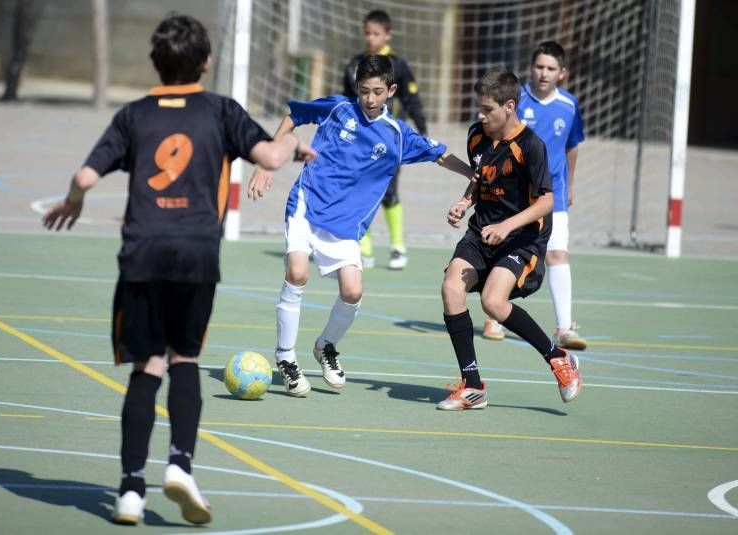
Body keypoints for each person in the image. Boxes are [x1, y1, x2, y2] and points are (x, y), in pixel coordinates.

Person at [41, 13, 314, 525]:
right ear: (207, 62)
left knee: (147, 367)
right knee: (185, 359)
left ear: (155, 63)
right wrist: (293, 146)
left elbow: (83, 174)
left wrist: (74, 200)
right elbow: (270, 158)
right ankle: (181, 467)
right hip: (195, 254)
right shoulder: (221, 111)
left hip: (142, 253)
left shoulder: (135, 115)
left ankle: (128, 490)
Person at [248, 54, 474, 397]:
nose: (369, 98)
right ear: (357, 88)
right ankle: (285, 358)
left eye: (377, 91)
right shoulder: (339, 108)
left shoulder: (398, 135)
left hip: (345, 224)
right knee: (297, 273)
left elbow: (439, 154)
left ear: (391, 91)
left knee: (352, 291)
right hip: (308, 204)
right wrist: (267, 161)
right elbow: (294, 116)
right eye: (364, 90)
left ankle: (325, 346)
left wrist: (473, 174)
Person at [438, 67, 582, 411]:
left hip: (522, 238)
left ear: (509, 107)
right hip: (481, 230)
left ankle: (557, 357)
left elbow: (547, 200)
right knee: (451, 288)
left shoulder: (531, 146)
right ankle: (472, 385)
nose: (480, 115)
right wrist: (464, 201)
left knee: (493, 302)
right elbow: (479, 178)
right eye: (479, 108)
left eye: (487, 109)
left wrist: (507, 226)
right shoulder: (477, 135)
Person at [482, 41, 586, 350]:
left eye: (551, 68)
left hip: (550, 194)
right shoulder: (515, 101)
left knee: (557, 254)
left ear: (562, 73)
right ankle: (494, 313)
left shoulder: (568, 106)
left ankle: (565, 327)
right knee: (504, 249)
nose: (544, 73)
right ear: (531, 68)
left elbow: (572, 146)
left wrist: (570, 185)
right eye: (539, 66)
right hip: (515, 195)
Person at [342, 9, 428, 270]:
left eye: (376, 33)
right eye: (367, 33)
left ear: (387, 34)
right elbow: (346, 102)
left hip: (389, 139)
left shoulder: (397, 65)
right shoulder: (355, 64)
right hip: (359, 139)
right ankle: (364, 248)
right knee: (357, 188)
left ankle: (397, 246)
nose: (370, 38)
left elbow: (412, 100)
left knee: (389, 191)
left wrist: (422, 131)